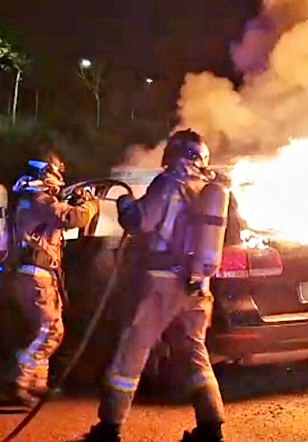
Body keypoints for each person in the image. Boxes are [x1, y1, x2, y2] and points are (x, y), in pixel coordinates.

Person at [80, 129, 227, 442]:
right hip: (199, 286)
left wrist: (124, 203)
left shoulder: (169, 183)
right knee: (194, 353)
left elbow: (140, 222)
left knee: (133, 348)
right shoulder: (210, 189)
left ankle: (109, 428)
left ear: (173, 154)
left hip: (162, 283)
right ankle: (211, 427)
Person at [8, 153, 100, 402]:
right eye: (57, 173)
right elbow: (72, 218)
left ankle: (37, 383)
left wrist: (76, 202)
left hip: (38, 273)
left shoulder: (33, 198)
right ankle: (20, 380)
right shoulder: (39, 198)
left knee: (44, 328)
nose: (60, 179)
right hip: (37, 274)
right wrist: (91, 204)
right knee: (51, 331)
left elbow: (63, 231)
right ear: (47, 173)